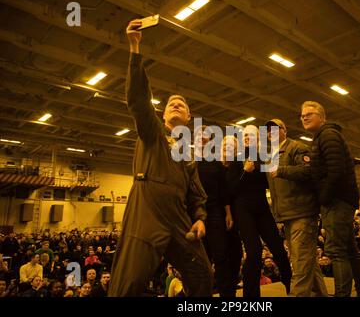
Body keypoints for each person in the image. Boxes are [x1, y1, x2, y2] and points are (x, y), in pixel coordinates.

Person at [108, 19, 213, 297]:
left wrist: (200, 218)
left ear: (189, 118)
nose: (176, 105)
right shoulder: (152, 132)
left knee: (202, 275)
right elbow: (139, 100)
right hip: (147, 209)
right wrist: (134, 47)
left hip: (179, 218)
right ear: (163, 116)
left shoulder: (189, 151)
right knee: (127, 284)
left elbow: (196, 194)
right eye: (170, 104)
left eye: (182, 104)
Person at [299, 101, 360, 297]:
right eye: (302, 115)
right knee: (351, 251)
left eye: (309, 113)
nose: (304, 117)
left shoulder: (328, 135)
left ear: (322, 117)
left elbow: (336, 171)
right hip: (341, 200)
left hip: (337, 201)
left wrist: (324, 197)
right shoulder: (322, 137)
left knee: (337, 251)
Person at [223, 127, 292, 297]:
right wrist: (245, 172)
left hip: (262, 208)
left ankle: (290, 285)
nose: (247, 138)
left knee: (279, 250)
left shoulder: (265, 158)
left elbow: (271, 185)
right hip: (243, 210)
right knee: (253, 253)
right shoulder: (237, 159)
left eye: (251, 135)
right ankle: (251, 297)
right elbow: (231, 190)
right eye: (245, 135)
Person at [267, 118, 328, 297]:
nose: (270, 133)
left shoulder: (296, 148)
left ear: (284, 131)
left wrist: (282, 170)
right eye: (267, 131)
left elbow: (309, 170)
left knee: (300, 262)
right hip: (287, 215)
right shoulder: (271, 155)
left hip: (302, 212)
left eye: (275, 129)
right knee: (307, 260)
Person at [195, 126, 242, 297]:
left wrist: (228, 213)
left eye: (205, 136)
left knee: (221, 256)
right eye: (199, 135)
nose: (202, 138)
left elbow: (223, 191)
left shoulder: (216, 163)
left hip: (215, 212)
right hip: (194, 214)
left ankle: (227, 296)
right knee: (202, 259)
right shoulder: (188, 162)